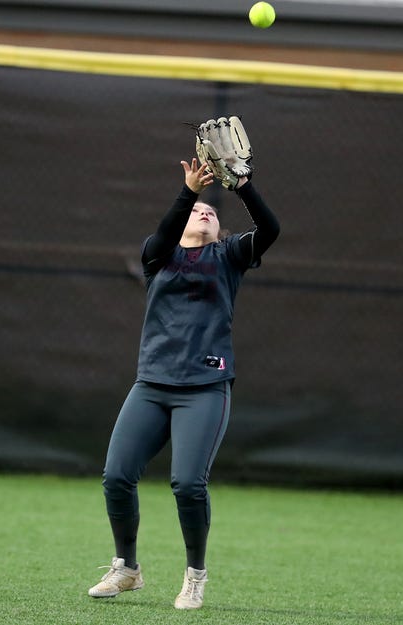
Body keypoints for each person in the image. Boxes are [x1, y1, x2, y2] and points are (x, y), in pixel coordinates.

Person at [88, 156, 280, 609]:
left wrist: (244, 186)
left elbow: (270, 230)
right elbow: (166, 227)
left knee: (188, 483)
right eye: (197, 212)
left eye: (212, 214)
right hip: (152, 384)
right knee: (116, 475)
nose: (205, 213)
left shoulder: (229, 257)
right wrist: (188, 192)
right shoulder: (159, 256)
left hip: (204, 387)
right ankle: (127, 569)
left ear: (220, 234)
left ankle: (195, 576)